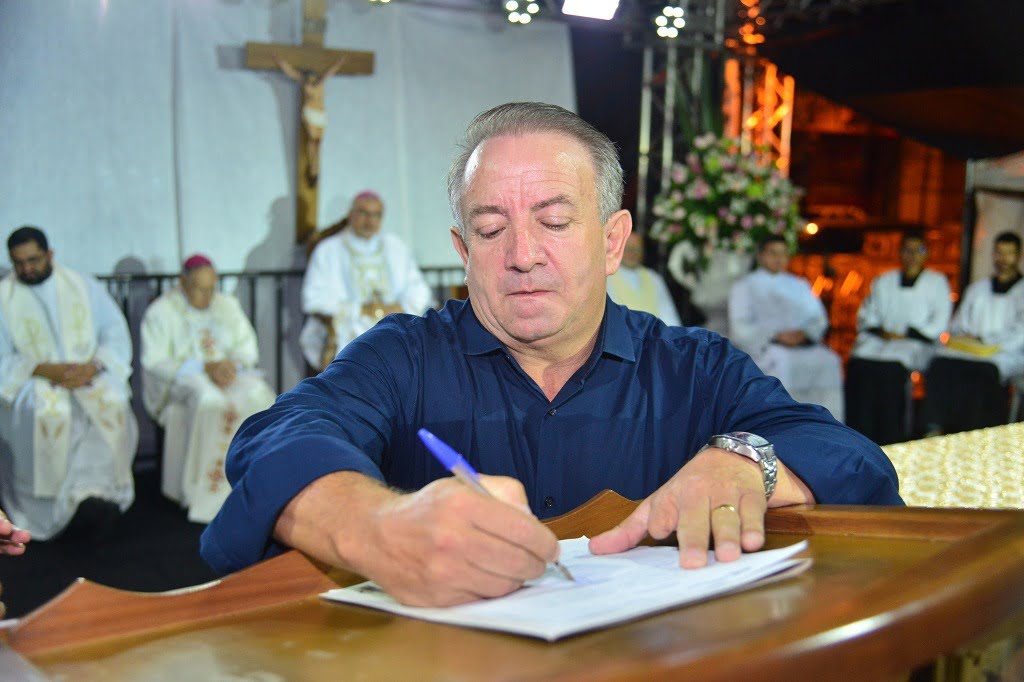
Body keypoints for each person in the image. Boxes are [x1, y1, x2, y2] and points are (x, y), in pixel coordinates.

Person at [202, 103, 900, 607]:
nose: (523, 256)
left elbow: (846, 455)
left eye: (555, 222)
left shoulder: (694, 367)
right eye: (491, 228)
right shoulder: (404, 357)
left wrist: (749, 463)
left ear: (614, 241)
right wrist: (376, 525)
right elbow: (278, 439)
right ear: (462, 251)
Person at [0, 227, 138, 541]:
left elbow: (114, 333)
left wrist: (94, 365)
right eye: (18, 262)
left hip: (86, 375)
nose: (26, 269)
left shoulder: (82, 286)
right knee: (46, 414)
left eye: (33, 260)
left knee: (112, 402)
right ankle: (48, 512)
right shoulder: (3, 298)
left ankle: (98, 497)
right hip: (34, 381)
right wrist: (40, 368)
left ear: (50, 254)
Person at [141, 255, 276, 523]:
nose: (207, 296)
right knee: (208, 400)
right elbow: (155, 362)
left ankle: (255, 488)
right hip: (188, 379)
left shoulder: (227, 305)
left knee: (258, 393)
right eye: (199, 288)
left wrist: (231, 365)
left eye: (212, 288)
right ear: (182, 283)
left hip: (228, 375)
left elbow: (247, 347)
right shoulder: (161, 311)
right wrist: (204, 368)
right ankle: (204, 495)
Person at [299, 191, 434, 372]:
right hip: (351, 324)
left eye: (376, 215)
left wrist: (398, 307)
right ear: (351, 214)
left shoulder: (395, 246)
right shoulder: (328, 250)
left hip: (393, 321)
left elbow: (418, 289)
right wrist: (359, 310)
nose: (370, 221)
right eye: (364, 213)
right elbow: (313, 298)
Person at [845, 232, 952, 444]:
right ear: (899, 253)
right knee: (859, 361)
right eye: (907, 250)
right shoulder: (884, 281)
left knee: (892, 368)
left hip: (915, 342)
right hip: (881, 340)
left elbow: (940, 321)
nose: (912, 256)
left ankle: (892, 434)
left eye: (919, 250)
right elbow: (869, 314)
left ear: (927, 253)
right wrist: (883, 332)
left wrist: (905, 333)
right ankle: (859, 431)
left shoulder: (937, 282)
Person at [728, 236, 845, 421]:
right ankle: (786, 425)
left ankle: (826, 425)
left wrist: (804, 334)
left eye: (783, 253)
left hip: (802, 346)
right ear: (760, 256)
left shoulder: (799, 285)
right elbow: (739, 326)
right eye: (773, 253)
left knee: (830, 361)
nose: (778, 259)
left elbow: (818, 319)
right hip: (768, 347)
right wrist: (775, 336)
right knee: (782, 364)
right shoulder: (744, 285)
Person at [923, 231, 1024, 434]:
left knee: (982, 374)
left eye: (1009, 254)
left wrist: (986, 341)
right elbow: (959, 322)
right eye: (998, 253)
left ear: (1018, 256)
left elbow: (1020, 333)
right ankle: (937, 427)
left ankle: (978, 431)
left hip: (1003, 353)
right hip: (969, 349)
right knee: (940, 364)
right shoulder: (978, 288)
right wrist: (967, 337)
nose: (1003, 259)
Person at [272, 53, 347, 186]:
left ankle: (314, 169)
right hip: (311, 113)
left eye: (313, 77)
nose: (311, 79)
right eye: (309, 77)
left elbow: (330, 72)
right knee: (312, 140)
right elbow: (290, 72)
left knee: (318, 143)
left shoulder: (321, 83)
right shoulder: (304, 82)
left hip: (321, 114)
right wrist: (280, 61)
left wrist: (339, 63)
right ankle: (312, 168)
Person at [606, 232, 681, 325]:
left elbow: (669, 316)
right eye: (628, 248)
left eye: (637, 249)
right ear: (618, 249)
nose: (632, 253)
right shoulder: (606, 277)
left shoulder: (654, 278)